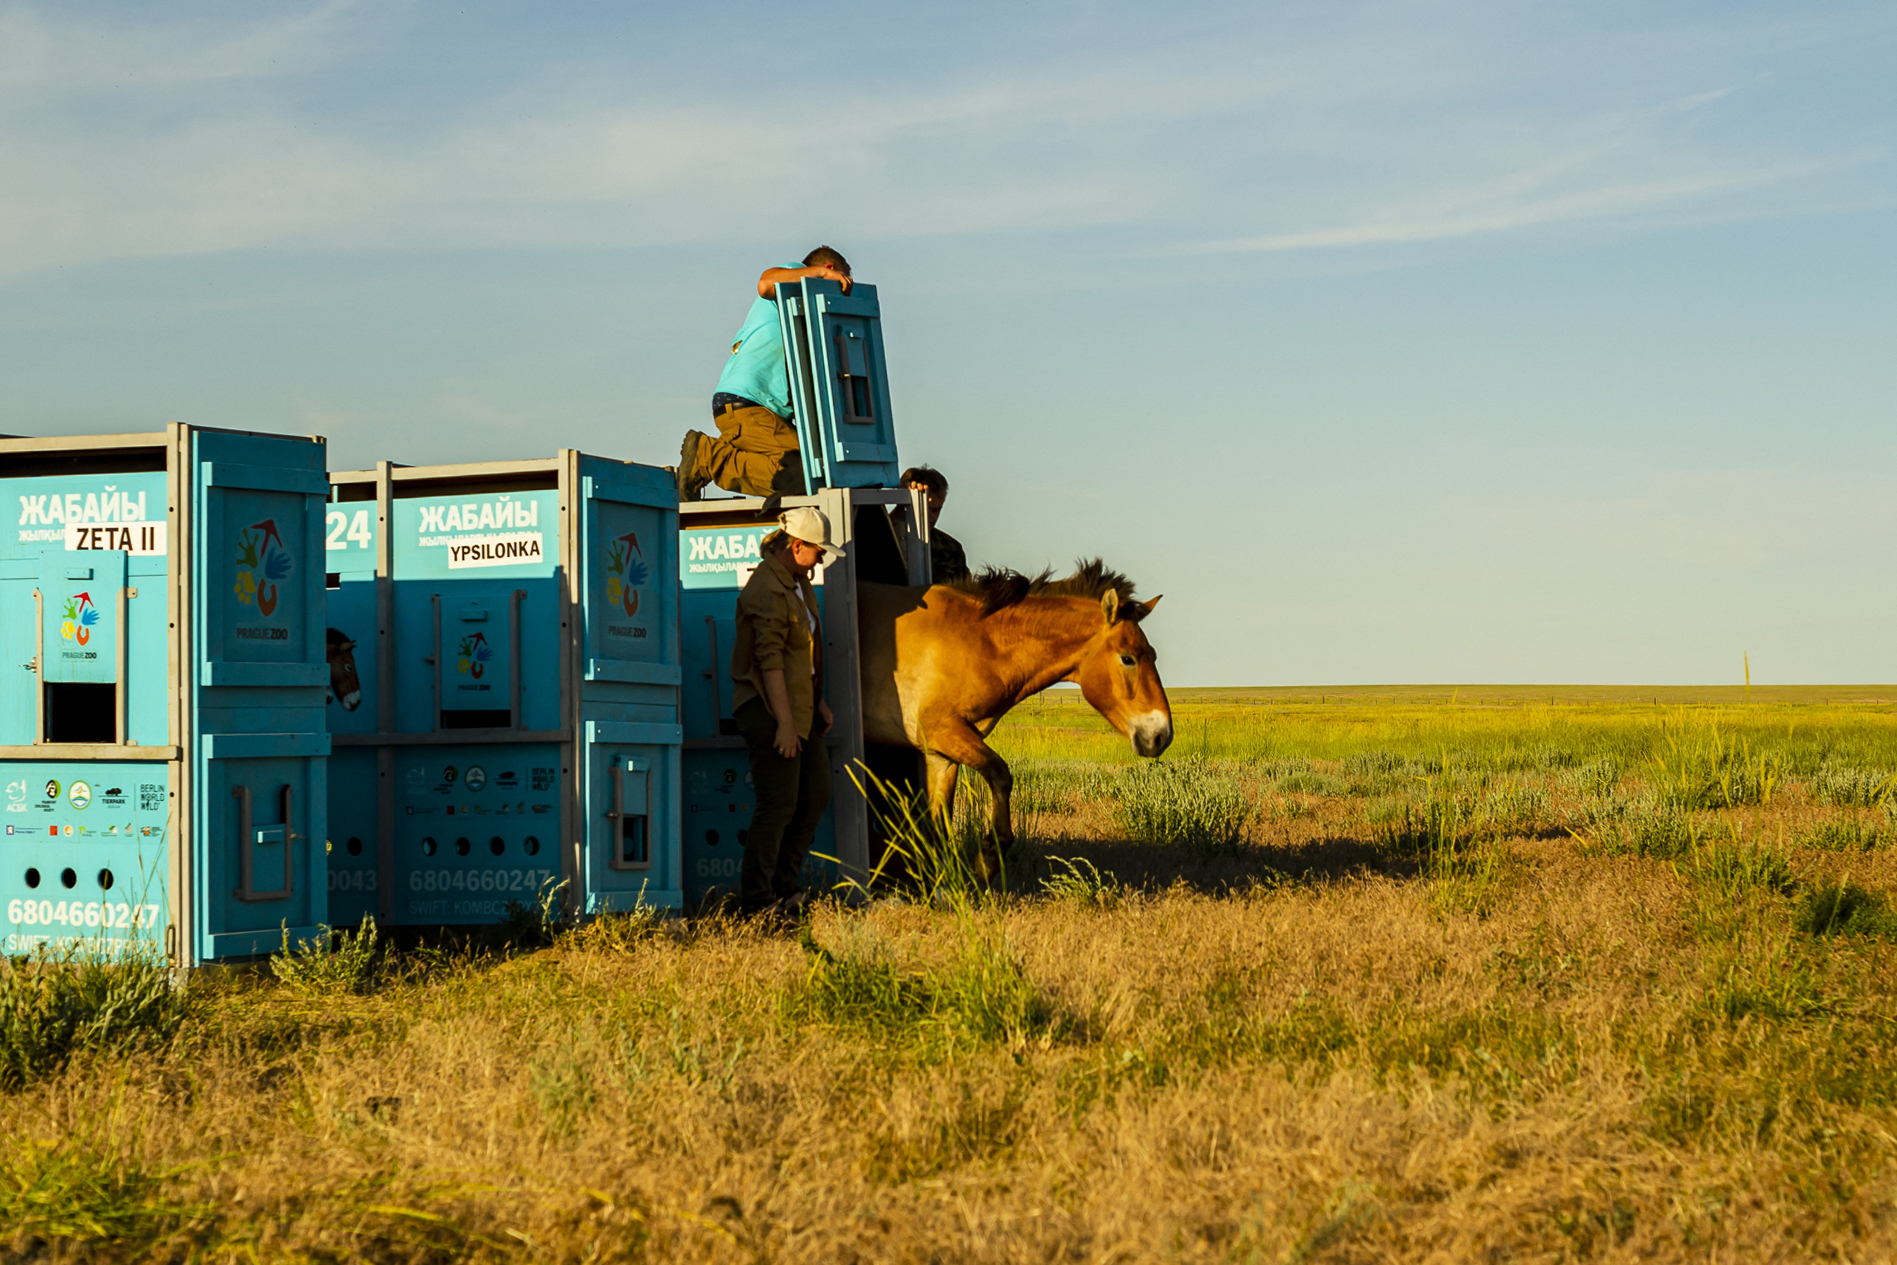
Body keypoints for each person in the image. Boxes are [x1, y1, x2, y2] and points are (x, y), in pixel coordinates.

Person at [730, 506, 844, 917]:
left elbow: (803, 655)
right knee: (778, 804)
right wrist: (784, 723)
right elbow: (769, 661)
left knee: (814, 794)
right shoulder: (766, 590)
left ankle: (783, 884)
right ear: (796, 547)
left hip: (798, 709)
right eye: (819, 551)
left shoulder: (798, 583)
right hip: (768, 709)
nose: (822, 559)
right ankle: (758, 901)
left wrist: (818, 702)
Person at [677, 248, 854, 501]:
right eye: (843, 280)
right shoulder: (794, 277)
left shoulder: (808, 315)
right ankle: (708, 457)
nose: (844, 290)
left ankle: (718, 454)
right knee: (806, 476)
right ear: (829, 268)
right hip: (752, 403)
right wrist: (822, 275)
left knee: (819, 472)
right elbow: (765, 283)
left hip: (755, 409)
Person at [899, 464, 969, 582]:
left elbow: (965, 594)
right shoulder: (885, 539)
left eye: (936, 510)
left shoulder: (951, 548)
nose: (931, 518)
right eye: (926, 509)